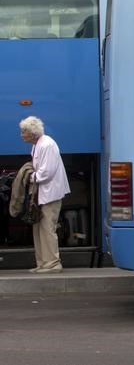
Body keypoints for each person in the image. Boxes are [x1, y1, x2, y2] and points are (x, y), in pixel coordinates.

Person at [19, 116, 70, 273]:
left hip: (50, 194)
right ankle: (43, 263)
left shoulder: (46, 145)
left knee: (47, 227)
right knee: (39, 227)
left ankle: (53, 264)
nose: (21, 135)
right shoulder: (37, 145)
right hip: (42, 193)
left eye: (24, 132)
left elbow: (46, 173)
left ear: (32, 133)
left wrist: (28, 177)